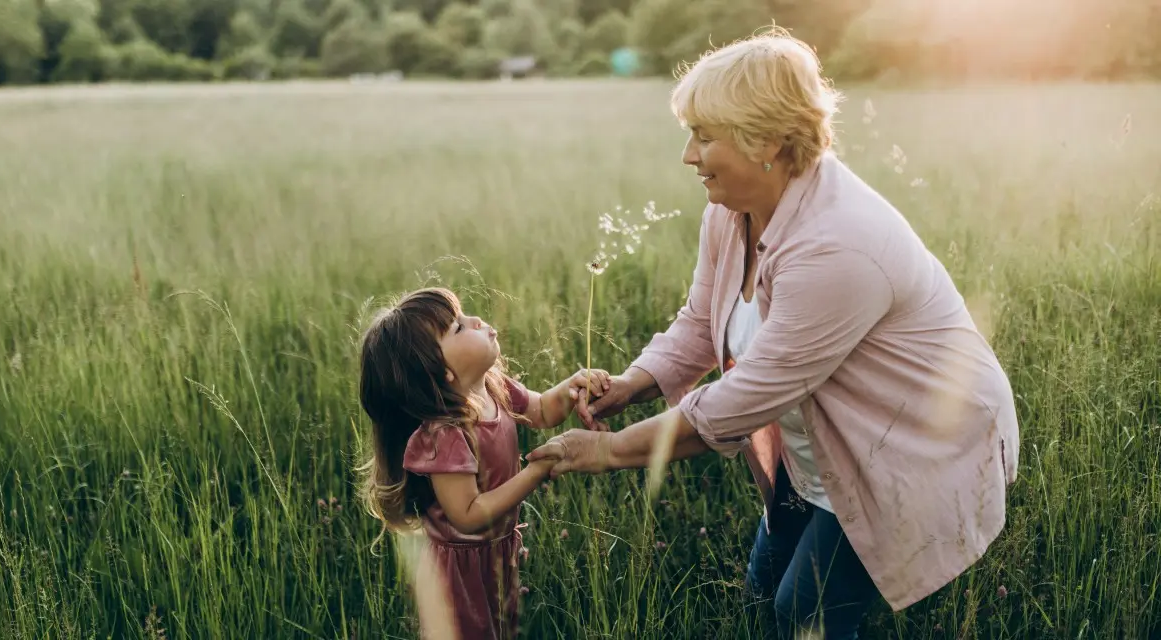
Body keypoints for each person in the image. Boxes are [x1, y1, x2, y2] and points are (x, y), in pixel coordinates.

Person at [527, 28, 1020, 639]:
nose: (688, 154)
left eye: (704, 136)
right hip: (823, 444)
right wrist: (631, 385)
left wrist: (607, 450)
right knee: (762, 593)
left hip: (907, 444)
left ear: (765, 140)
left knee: (803, 612)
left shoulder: (838, 246)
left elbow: (744, 399)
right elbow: (699, 324)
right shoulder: (729, 211)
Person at [357, 287, 611, 640]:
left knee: (502, 628)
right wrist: (535, 472)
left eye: (462, 316)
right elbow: (470, 514)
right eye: (458, 328)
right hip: (460, 566)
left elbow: (541, 409)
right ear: (442, 371)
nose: (475, 320)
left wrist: (572, 386)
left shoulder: (492, 387)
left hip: (497, 546)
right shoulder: (445, 434)